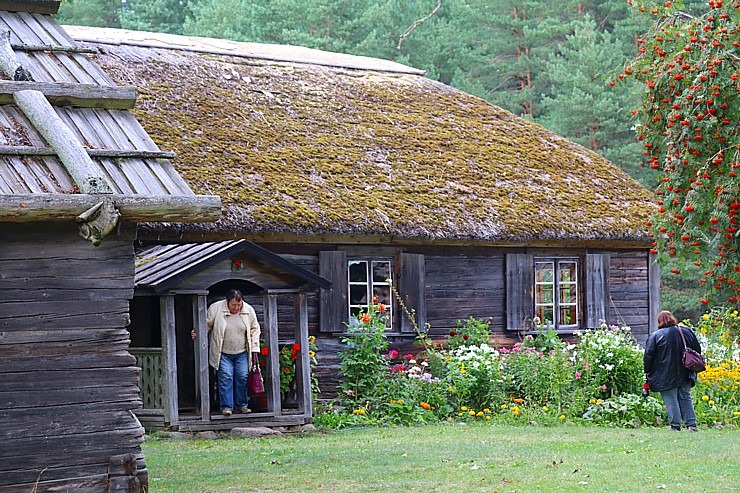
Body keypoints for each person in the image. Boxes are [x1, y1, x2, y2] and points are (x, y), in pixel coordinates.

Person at [200, 289, 261, 416]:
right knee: (225, 377)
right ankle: (227, 407)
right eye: (234, 305)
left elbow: (255, 328)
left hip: (242, 352)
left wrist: (255, 347)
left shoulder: (248, 310)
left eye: (239, 305)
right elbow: (206, 325)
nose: (237, 307)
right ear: (227, 302)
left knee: (242, 377)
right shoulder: (216, 308)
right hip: (223, 352)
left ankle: (242, 405)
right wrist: (197, 333)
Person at [643, 310, 701, 431]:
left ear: (659, 321)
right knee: (685, 396)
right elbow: (697, 349)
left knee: (670, 398)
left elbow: (649, 356)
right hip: (686, 370)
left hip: (665, 373)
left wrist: (648, 371)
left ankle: (675, 426)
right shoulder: (687, 331)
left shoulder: (656, 336)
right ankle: (691, 425)